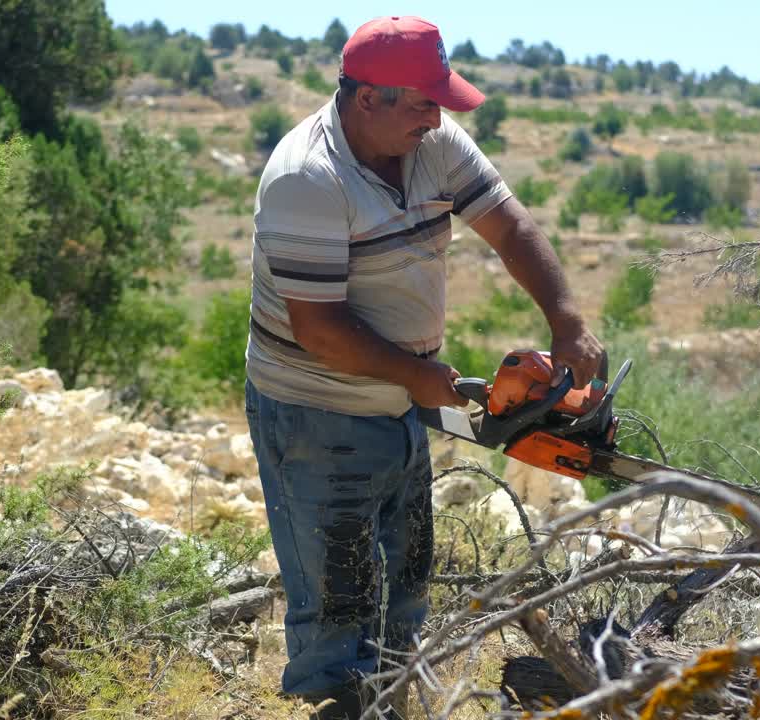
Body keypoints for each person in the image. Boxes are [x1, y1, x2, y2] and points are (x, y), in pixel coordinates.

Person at [243, 15, 603, 719]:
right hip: (316, 411)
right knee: (338, 609)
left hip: (395, 398)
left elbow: (510, 226)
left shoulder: (431, 142)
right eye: (421, 104)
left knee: (403, 587)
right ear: (366, 98)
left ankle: (392, 698)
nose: (436, 118)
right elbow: (319, 329)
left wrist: (567, 320)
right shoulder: (307, 178)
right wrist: (415, 377)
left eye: (439, 103)